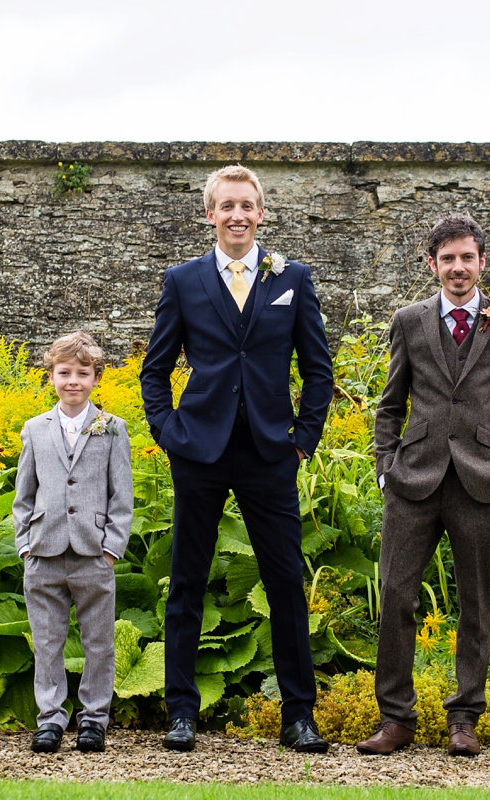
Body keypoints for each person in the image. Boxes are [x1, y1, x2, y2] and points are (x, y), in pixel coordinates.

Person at [139, 164, 334, 753]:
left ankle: (298, 715)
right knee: (187, 582)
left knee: (284, 582)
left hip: (272, 452)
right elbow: (155, 369)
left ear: (262, 212)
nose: (238, 215)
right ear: (210, 214)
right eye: (227, 206)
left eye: (247, 205)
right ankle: (181, 713)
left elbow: (318, 370)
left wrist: (303, 438)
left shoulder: (291, 279)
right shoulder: (184, 280)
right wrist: (170, 431)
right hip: (199, 450)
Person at [358, 215, 490, 757]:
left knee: (475, 603)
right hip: (413, 478)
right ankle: (397, 720)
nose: (457, 268)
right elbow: (389, 404)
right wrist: (386, 466)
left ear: (483, 262)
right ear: (431, 264)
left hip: (481, 481)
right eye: (447, 259)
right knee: (395, 597)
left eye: (467, 258)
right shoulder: (409, 321)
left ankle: (465, 718)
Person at [13, 331, 133, 754]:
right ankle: (50, 719)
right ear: (50, 377)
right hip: (43, 552)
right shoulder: (34, 430)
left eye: (83, 374)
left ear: (96, 378)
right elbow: (23, 495)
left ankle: (94, 720)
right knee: (47, 641)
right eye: (64, 373)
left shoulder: (113, 429)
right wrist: (25, 544)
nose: (73, 381)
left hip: (93, 554)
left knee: (99, 641)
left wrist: (111, 547)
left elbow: (122, 496)